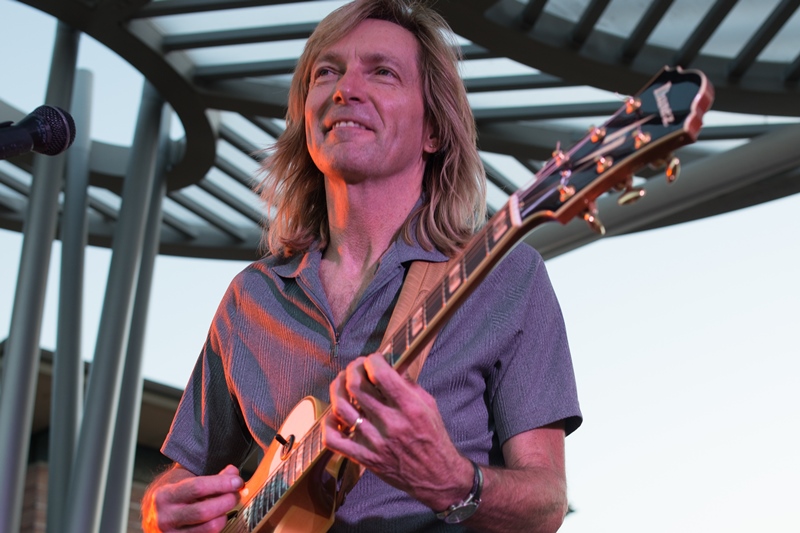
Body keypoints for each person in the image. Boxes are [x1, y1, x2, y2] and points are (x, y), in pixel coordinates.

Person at [142, 0, 582, 531]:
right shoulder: (250, 297)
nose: (345, 88)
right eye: (327, 71)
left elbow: (546, 505)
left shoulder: (505, 277)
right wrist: (157, 510)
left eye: (383, 72)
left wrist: (451, 481)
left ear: (434, 132)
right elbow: (181, 475)